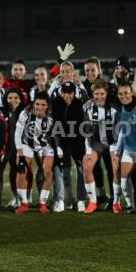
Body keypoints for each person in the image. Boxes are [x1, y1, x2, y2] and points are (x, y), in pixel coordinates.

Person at [0, 44, 72, 97]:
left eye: (20, 69)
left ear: (24, 71)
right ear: (11, 71)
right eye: (15, 69)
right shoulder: (7, 82)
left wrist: (61, 60)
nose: (18, 71)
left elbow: (49, 75)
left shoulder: (30, 83)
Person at [112, 83, 136, 214]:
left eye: (126, 93)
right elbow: (123, 131)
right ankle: (131, 206)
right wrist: (118, 151)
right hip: (129, 148)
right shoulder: (120, 110)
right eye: (121, 94)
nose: (124, 96)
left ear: (132, 93)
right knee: (124, 179)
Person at [14, 92, 56, 214]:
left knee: (47, 171)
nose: (40, 107)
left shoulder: (52, 117)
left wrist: (59, 150)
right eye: (37, 104)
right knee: (21, 171)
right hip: (27, 144)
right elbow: (17, 134)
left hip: (45, 145)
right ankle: (24, 203)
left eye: (43, 105)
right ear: (33, 104)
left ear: (47, 106)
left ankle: (42, 204)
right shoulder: (25, 113)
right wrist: (21, 155)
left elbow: (56, 136)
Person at [82, 81, 119, 213]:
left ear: (107, 93)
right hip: (96, 142)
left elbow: (119, 130)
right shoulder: (87, 107)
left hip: (113, 142)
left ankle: (116, 202)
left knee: (116, 167)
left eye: (102, 94)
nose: (99, 96)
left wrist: (116, 149)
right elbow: (86, 130)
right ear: (92, 94)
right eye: (96, 94)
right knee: (86, 165)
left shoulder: (114, 107)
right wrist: (88, 150)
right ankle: (93, 202)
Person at [51, 81, 87, 212]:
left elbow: (82, 127)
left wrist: (82, 147)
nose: (67, 95)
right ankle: (64, 200)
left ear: (74, 92)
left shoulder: (79, 104)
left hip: (77, 141)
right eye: (64, 92)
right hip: (61, 141)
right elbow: (54, 125)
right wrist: (58, 146)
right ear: (61, 92)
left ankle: (81, 200)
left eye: (70, 92)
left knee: (81, 170)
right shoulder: (55, 103)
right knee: (61, 170)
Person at [0, 88, 28, 210]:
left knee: (16, 173)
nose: (13, 100)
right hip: (4, 148)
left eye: (16, 98)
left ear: (20, 99)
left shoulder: (24, 112)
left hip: (18, 149)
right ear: (6, 99)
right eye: (10, 98)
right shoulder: (1, 111)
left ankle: (17, 198)